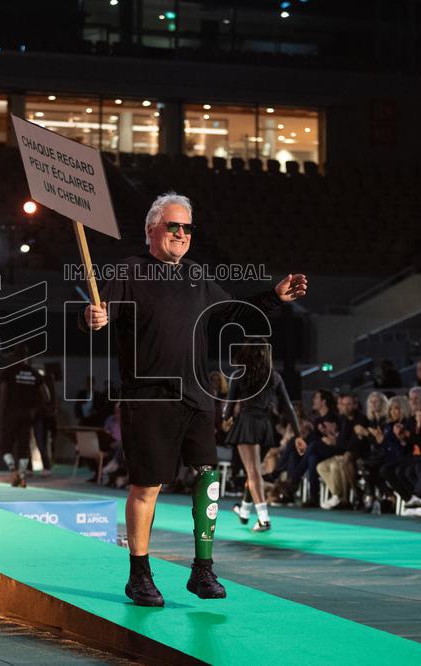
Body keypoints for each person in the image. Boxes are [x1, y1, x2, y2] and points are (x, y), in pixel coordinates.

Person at [82, 192, 308, 606]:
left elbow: (235, 312)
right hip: (147, 398)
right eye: (174, 226)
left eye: (187, 227)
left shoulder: (198, 277)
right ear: (152, 230)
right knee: (146, 485)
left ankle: (202, 570)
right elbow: (102, 312)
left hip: (197, 397)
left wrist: (274, 296)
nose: (182, 234)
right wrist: (96, 317)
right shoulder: (130, 271)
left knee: (208, 478)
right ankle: (139, 575)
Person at [225, 343, 303, 531]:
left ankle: (263, 518)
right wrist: (298, 435)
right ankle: (244, 510)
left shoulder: (238, 375)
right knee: (255, 472)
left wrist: (225, 418)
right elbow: (288, 408)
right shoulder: (274, 377)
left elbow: (228, 407)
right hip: (265, 426)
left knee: (252, 472)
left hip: (247, 423)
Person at [0, 353, 47, 487]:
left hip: (11, 414)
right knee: (24, 447)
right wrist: (34, 410)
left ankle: (13, 471)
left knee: (5, 446)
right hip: (27, 415)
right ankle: (22, 475)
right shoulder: (34, 373)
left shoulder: (8, 372)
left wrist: (3, 413)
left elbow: (4, 394)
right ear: (27, 357)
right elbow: (46, 396)